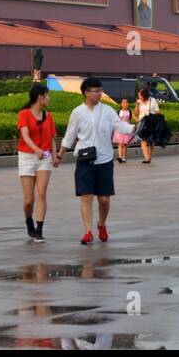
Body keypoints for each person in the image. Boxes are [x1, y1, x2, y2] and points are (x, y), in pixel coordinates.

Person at [56, 78, 135, 244]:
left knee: (104, 199)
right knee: (86, 197)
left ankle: (102, 224)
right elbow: (69, 136)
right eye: (96, 91)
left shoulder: (107, 111)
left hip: (104, 160)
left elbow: (121, 127)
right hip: (85, 160)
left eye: (101, 90)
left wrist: (136, 128)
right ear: (86, 92)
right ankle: (88, 231)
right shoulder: (77, 112)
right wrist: (59, 155)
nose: (100, 94)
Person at [16, 82, 56, 242]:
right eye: (47, 95)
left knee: (41, 193)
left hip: (44, 158)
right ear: (40, 97)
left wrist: (54, 155)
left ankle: (39, 228)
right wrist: (36, 150)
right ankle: (28, 220)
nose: (49, 98)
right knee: (28, 200)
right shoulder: (24, 114)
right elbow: (25, 135)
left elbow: (52, 137)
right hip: (27, 156)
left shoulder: (49, 116)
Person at [134, 86, 160, 164]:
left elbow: (157, 112)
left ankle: (149, 156)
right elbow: (136, 113)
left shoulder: (153, 101)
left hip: (151, 123)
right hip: (142, 124)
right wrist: (136, 105)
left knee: (151, 142)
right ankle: (146, 157)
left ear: (144, 95)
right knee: (143, 141)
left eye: (140, 95)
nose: (139, 97)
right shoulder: (139, 101)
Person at [114, 98, 134, 163]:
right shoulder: (119, 111)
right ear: (121, 104)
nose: (125, 104)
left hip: (126, 129)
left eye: (126, 102)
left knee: (125, 144)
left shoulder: (129, 111)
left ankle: (124, 157)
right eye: (123, 102)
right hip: (120, 129)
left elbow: (130, 121)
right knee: (120, 143)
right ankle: (120, 156)